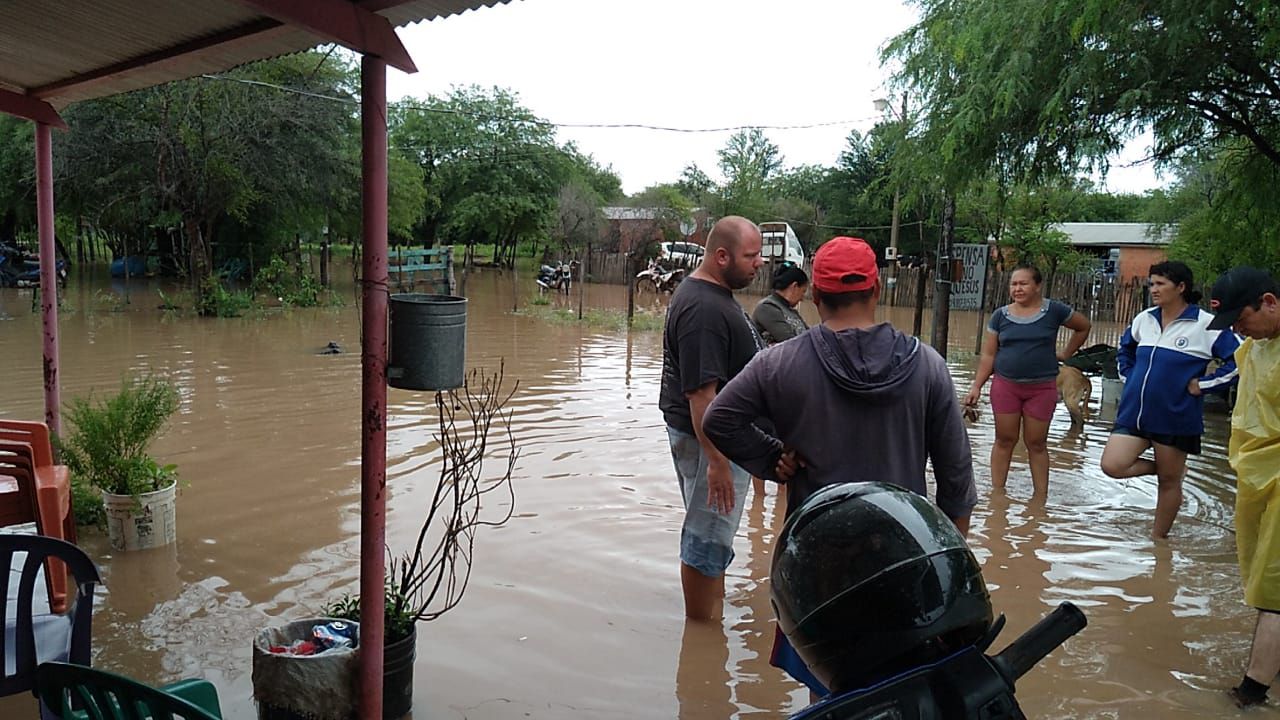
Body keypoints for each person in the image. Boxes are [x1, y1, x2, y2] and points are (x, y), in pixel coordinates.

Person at [701, 236, 977, 696]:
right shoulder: (928, 365)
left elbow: (719, 419)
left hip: (819, 571)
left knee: (829, 695)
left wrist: (772, 459)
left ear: (814, 295)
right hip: (907, 565)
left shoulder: (778, 363)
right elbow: (956, 483)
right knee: (907, 695)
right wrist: (944, 569)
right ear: (877, 289)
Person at [659, 215, 766, 621]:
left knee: (714, 534)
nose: (760, 263)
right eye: (751, 256)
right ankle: (703, 632)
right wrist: (718, 462)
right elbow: (701, 395)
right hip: (713, 443)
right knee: (707, 535)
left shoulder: (714, 295)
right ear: (722, 256)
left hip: (720, 441)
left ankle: (711, 612)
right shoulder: (704, 308)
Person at [1100, 260, 1240, 539]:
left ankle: (1158, 541)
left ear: (1181, 287)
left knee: (1168, 483)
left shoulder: (1206, 325)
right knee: (1112, 465)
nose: (1154, 289)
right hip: (1134, 413)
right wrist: (1129, 376)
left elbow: (1239, 361)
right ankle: (1171, 470)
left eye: (1160, 284)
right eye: (1152, 283)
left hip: (1175, 417)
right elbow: (1124, 349)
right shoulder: (1145, 319)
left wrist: (1204, 385)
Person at [1206, 267, 1280, 709]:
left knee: (1275, 587)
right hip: (1256, 478)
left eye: (1242, 317)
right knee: (1260, 577)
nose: (1237, 327)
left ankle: (1249, 695)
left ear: (1269, 302)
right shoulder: (1254, 348)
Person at [964, 266, 1092, 496]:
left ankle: (1040, 499)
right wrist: (976, 385)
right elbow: (989, 355)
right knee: (1004, 440)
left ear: (1037, 286)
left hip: (1041, 388)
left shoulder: (1054, 310)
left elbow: (1083, 326)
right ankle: (997, 496)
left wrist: (1065, 353)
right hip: (1006, 386)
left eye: (1023, 283)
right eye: (1014, 284)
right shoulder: (1000, 316)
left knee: (1037, 443)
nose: (1017, 288)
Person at [752, 262, 809, 344]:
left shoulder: (792, 311)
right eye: (803, 291)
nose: (802, 298)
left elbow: (809, 335)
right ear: (794, 286)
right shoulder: (766, 308)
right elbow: (791, 342)